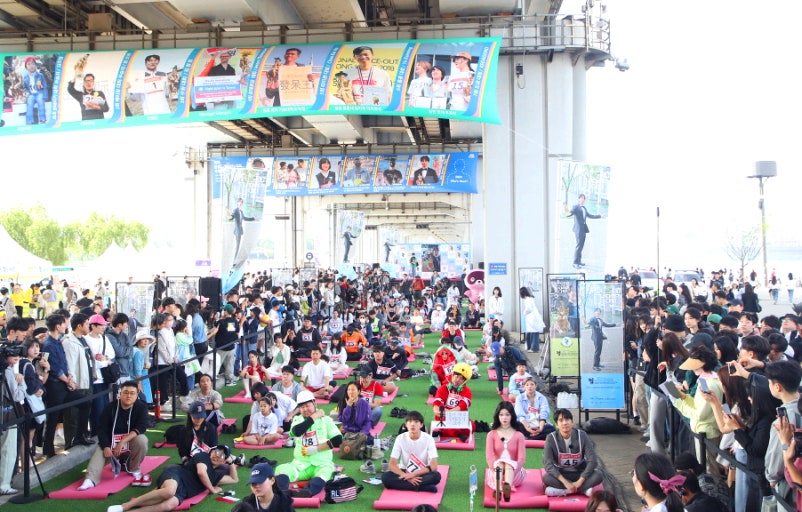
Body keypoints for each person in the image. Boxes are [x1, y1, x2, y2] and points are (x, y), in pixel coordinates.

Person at [105, 444, 240, 512]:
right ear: (212, 451)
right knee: (169, 491)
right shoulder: (203, 456)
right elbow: (201, 472)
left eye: (222, 455)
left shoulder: (216, 475)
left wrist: (231, 463)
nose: (217, 455)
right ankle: (124, 506)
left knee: (169, 504)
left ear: (224, 461)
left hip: (184, 492)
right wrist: (212, 489)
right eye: (217, 451)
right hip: (176, 475)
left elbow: (235, 480)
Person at [77, 381, 151, 490]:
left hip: (129, 442)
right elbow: (102, 429)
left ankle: (134, 469)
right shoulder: (110, 407)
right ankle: (90, 479)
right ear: (120, 394)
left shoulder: (141, 407)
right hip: (111, 443)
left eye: (132, 393)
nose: (128, 396)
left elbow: (141, 427)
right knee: (100, 451)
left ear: (137, 395)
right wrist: (106, 447)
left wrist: (122, 442)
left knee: (142, 440)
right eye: (125, 392)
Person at [274, 390, 342, 498]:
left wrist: (315, 449)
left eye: (307, 405)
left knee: (325, 473)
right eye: (302, 407)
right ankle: (281, 492)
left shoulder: (326, 420)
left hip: (322, 463)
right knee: (282, 469)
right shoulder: (297, 420)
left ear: (315, 403)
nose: (305, 409)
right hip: (300, 464)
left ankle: (307, 492)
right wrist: (314, 417)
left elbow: (338, 440)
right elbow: (297, 431)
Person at [542, 408, 603, 497]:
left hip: (580, 473)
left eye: (567, 419)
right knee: (546, 478)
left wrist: (580, 481)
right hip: (562, 474)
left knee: (598, 475)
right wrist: (565, 482)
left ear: (572, 422)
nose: (564, 423)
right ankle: (583, 490)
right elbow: (548, 463)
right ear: (557, 425)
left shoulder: (582, 435)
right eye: (561, 420)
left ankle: (564, 491)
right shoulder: (551, 438)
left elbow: (592, 460)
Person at [381, 410, 441, 492]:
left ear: (421, 425)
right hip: (404, 471)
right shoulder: (400, 438)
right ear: (406, 424)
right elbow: (392, 464)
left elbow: (434, 466)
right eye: (410, 422)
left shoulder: (429, 439)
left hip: (422, 472)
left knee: (436, 476)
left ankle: (408, 485)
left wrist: (412, 475)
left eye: (416, 422)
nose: (412, 424)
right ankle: (423, 487)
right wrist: (406, 476)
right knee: (385, 477)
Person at [485, 402, 526, 502]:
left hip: (515, 473)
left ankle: (507, 486)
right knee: (499, 464)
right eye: (501, 415)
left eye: (507, 415)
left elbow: (521, 459)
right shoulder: (491, 434)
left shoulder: (519, 435)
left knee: (508, 465)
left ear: (512, 416)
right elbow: (489, 457)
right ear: (497, 416)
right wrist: (495, 471)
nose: (504, 418)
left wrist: (512, 472)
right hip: (495, 472)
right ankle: (498, 489)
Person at [431, 362, 473, 441]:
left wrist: (449, 413)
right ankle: (458, 434)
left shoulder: (468, 392)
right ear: (452, 375)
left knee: (472, 425)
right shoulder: (442, 388)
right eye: (456, 376)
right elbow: (436, 406)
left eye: (461, 378)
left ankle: (443, 432)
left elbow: (461, 406)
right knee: (445, 422)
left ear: (465, 381)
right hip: (443, 417)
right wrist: (438, 411)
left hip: (458, 417)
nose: (457, 380)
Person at [564, 193, 602, 269]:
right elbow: (569, 214)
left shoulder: (584, 208)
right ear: (579, 199)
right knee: (578, 246)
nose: (583, 199)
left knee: (581, 246)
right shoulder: (576, 207)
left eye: (584, 198)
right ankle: (575, 263)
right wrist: (565, 208)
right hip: (578, 229)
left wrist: (599, 216)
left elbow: (590, 215)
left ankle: (579, 261)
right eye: (581, 198)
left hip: (583, 229)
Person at [227, 198, 257, 263]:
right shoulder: (236, 210)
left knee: (238, 245)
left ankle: (235, 259)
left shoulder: (241, 211)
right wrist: (229, 216)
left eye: (242, 202)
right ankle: (234, 260)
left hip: (240, 231)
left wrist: (253, 218)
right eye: (240, 202)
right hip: (237, 231)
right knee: (237, 246)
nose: (241, 203)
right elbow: (232, 217)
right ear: (237, 202)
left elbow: (245, 218)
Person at [22, 56, 47, 124]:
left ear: (36, 65)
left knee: (41, 104)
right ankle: (29, 120)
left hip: (39, 92)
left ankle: (42, 119)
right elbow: (24, 87)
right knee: (29, 105)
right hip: (31, 94)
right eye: (29, 64)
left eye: (33, 64)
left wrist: (45, 95)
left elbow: (44, 86)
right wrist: (26, 93)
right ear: (26, 67)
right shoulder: (25, 77)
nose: (31, 66)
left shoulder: (40, 75)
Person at [520, 287, 545, 353]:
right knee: (530, 332)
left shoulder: (528, 299)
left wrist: (524, 312)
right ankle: (530, 347)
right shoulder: (528, 298)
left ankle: (534, 348)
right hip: (531, 317)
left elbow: (529, 309)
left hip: (532, 317)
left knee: (533, 332)